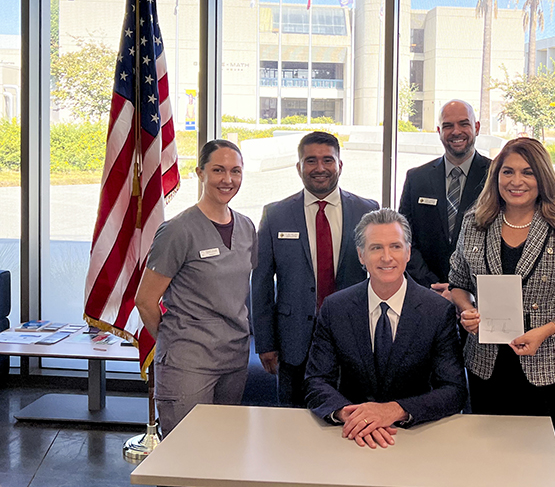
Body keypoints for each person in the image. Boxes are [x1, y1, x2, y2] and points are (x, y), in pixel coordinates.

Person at [449, 137, 555, 439]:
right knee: (486, 455)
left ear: (542, 177)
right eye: (507, 172)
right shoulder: (475, 222)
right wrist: (467, 310)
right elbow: (458, 282)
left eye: (528, 172)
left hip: (546, 365)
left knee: (538, 461)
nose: (516, 181)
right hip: (486, 365)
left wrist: (547, 329)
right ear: (496, 177)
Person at [305, 208, 467, 448]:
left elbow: (454, 390)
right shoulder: (335, 308)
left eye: (395, 246)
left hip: (416, 436)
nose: (387, 257)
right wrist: (348, 414)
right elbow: (316, 381)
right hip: (351, 436)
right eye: (376, 248)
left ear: (409, 252)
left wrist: (395, 411)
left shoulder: (437, 311)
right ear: (361, 255)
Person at [135, 139, 257, 437]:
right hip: (188, 363)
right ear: (200, 173)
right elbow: (146, 300)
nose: (227, 179)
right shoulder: (178, 230)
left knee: (225, 448)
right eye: (218, 170)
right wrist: (176, 340)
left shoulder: (247, 228)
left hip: (234, 358)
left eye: (235, 171)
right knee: (186, 451)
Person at [251, 131, 379, 407]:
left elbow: (381, 274)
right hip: (293, 342)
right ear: (299, 167)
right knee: (292, 421)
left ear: (340, 165)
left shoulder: (367, 211)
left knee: (351, 417)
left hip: (352, 339)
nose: (320, 168)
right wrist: (265, 342)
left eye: (327, 160)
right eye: (311, 161)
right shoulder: (276, 215)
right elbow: (261, 282)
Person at [399, 100, 490, 298]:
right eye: (448, 126)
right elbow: (404, 238)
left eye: (463, 124)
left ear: (476, 127)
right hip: (426, 294)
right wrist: (432, 286)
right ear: (439, 131)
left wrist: (462, 291)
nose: (456, 131)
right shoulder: (417, 178)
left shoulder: (497, 177)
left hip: (479, 299)